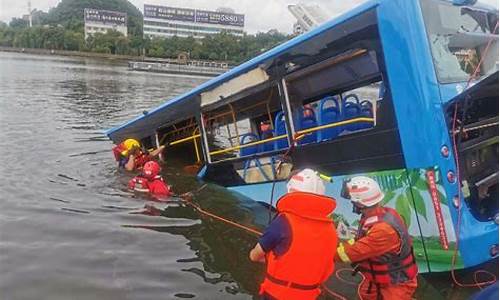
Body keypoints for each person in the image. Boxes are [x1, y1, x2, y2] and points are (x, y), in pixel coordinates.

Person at [249, 168, 338, 300]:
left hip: (277, 295)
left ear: (291, 190)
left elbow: (254, 256)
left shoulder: (283, 221)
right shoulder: (331, 228)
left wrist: (271, 257)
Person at [336, 176, 418, 300]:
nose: (351, 203)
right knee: (365, 294)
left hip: (395, 284)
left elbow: (350, 254)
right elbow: (361, 240)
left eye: (352, 201)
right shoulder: (382, 214)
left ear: (360, 203)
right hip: (378, 280)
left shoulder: (383, 230)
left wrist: (327, 252)